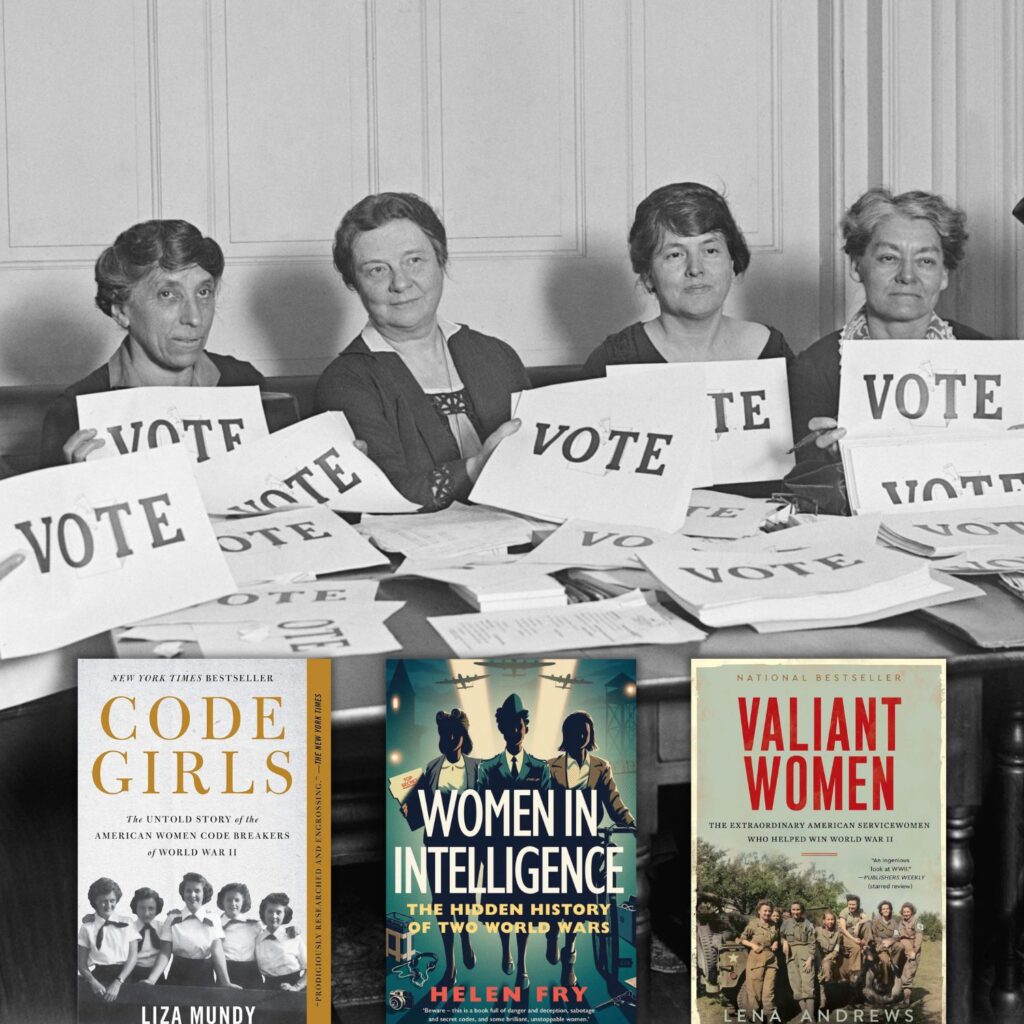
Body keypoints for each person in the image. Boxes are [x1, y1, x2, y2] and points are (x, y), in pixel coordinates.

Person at [314, 192, 526, 510]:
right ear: (354, 283)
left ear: (441, 261)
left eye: (414, 261)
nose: (400, 283)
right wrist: (476, 468)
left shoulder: (497, 356)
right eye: (377, 270)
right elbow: (384, 496)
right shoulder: (345, 383)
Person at [39, 219, 264, 468]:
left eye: (203, 292)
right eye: (168, 294)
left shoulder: (246, 383)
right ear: (121, 311)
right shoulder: (73, 412)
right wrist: (75, 480)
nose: (195, 318)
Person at [789, 187, 988, 459]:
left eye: (925, 261)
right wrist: (828, 459)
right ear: (856, 267)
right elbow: (797, 473)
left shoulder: (988, 358)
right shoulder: (814, 369)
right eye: (889, 258)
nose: (907, 275)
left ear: (943, 275)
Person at [583, 182, 793, 376]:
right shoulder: (612, 361)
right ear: (648, 275)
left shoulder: (771, 350)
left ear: (731, 264)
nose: (695, 269)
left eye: (710, 251)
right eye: (675, 255)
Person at [545, 710, 636, 987]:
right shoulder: (550, 767)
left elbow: (614, 801)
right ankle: (552, 932)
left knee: (579, 902)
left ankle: (569, 957)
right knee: (553, 896)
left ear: (590, 734)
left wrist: (631, 824)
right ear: (567, 735)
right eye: (575, 732)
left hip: (586, 841)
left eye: (585, 732)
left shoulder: (601, 766)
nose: (580, 736)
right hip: (556, 842)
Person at [476, 693, 552, 990]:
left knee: (524, 912)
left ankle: (521, 964)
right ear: (502, 729)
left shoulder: (540, 768)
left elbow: (548, 813)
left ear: (525, 728)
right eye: (509, 726)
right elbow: (479, 812)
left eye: (518, 725)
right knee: (502, 909)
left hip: (528, 852)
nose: (514, 731)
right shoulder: (488, 768)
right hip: (498, 851)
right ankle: (506, 949)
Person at [401, 708, 480, 988]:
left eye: (455, 733)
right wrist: (408, 809)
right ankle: (451, 965)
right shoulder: (431, 768)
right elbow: (420, 811)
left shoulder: (478, 767)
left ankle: (466, 937)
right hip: (437, 844)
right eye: (445, 734)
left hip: (468, 846)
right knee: (442, 905)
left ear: (464, 736)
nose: (450, 738)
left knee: (463, 900)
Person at [141, 872, 239, 988]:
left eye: (197, 891)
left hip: (204, 976)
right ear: (183, 893)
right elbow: (165, 952)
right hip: (177, 975)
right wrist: (151, 980)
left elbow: (217, 952)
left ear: (204, 893)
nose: (192, 895)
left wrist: (226, 982)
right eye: (188, 891)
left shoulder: (214, 918)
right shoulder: (172, 918)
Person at [77, 877, 137, 1002]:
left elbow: (133, 957)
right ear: (95, 901)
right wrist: (93, 982)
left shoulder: (128, 922)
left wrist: (118, 982)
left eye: (112, 900)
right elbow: (81, 964)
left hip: (125, 977)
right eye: (103, 901)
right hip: (98, 979)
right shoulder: (87, 927)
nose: (108, 905)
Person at [255, 892, 306, 990]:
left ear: (285, 914)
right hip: (267, 990)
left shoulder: (294, 937)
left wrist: (296, 987)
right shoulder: (257, 940)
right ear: (263, 913)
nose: (274, 916)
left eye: (278, 912)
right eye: (270, 911)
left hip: (294, 988)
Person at [217, 882, 262, 988]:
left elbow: (271, 935)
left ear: (243, 902)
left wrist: (291, 930)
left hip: (252, 974)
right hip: (226, 974)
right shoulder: (215, 925)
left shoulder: (254, 925)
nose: (233, 903)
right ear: (222, 902)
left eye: (237, 900)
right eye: (229, 900)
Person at [738, 899, 779, 1013]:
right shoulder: (753, 924)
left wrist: (775, 943)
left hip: (771, 959)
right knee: (755, 991)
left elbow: (776, 937)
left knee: (769, 991)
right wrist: (752, 945)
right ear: (759, 911)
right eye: (765, 911)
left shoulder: (773, 925)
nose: (767, 913)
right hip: (756, 959)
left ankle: (770, 1015)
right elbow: (742, 939)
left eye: (769, 911)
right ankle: (755, 1016)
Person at [780, 900, 816, 1018]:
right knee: (796, 985)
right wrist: (784, 942)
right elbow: (781, 936)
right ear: (790, 911)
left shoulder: (807, 924)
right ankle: (806, 1015)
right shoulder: (786, 923)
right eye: (793, 909)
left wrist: (810, 958)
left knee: (808, 985)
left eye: (798, 909)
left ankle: (810, 1018)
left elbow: (812, 943)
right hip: (791, 956)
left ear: (802, 911)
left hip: (805, 956)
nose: (795, 912)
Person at [126, 886, 164, 983]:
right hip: (132, 974)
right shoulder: (128, 928)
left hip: (157, 975)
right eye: (142, 908)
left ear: (157, 909)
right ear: (135, 908)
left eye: (151, 908)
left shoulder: (163, 928)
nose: (146, 913)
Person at [895, 901, 924, 1008]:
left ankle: (906, 1002)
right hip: (902, 950)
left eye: (908, 912)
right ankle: (901, 997)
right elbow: (896, 935)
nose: (906, 914)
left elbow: (919, 937)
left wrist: (914, 951)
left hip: (912, 951)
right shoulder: (900, 922)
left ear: (912, 912)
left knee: (907, 976)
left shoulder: (917, 921)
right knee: (901, 974)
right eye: (904, 912)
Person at [837, 893, 870, 979]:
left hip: (856, 933)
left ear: (857, 904)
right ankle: (853, 973)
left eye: (853, 904)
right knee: (856, 948)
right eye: (850, 904)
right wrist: (854, 940)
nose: (851, 906)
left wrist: (858, 924)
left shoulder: (860, 911)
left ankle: (867, 945)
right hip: (846, 935)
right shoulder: (844, 912)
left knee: (867, 924)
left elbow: (867, 918)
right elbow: (843, 930)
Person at [815, 909, 843, 1007]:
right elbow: (812, 944)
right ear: (823, 921)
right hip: (817, 957)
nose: (830, 922)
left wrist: (827, 957)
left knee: (826, 968)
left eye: (832, 919)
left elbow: (836, 950)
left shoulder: (837, 934)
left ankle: (824, 998)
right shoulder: (817, 931)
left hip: (830, 958)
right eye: (828, 919)